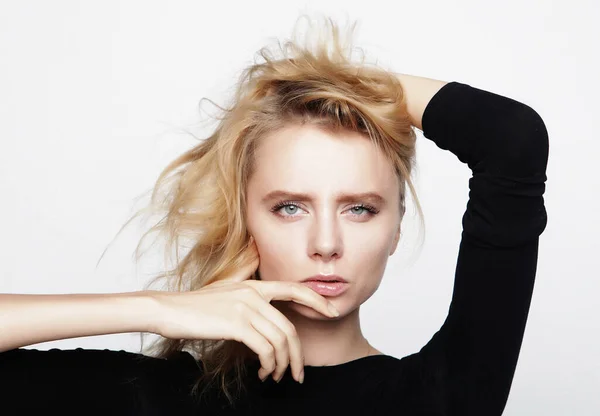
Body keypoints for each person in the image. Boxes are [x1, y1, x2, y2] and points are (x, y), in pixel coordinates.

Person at [0, 16, 548, 416]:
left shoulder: (442, 397)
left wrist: (321, 79)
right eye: (290, 207)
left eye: (360, 208)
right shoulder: (155, 395)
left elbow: (512, 140)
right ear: (246, 223)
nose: (326, 243)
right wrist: (158, 309)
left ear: (395, 230)